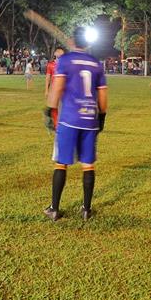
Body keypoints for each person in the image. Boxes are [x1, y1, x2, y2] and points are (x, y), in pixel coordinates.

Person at [43, 27, 108, 222]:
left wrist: (49, 110)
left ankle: (54, 209)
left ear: (72, 41)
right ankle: (86, 209)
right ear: (87, 43)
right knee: (88, 164)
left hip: (69, 119)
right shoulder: (96, 64)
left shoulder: (64, 61)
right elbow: (103, 96)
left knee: (61, 162)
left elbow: (58, 87)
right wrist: (102, 117)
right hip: (89, 120)